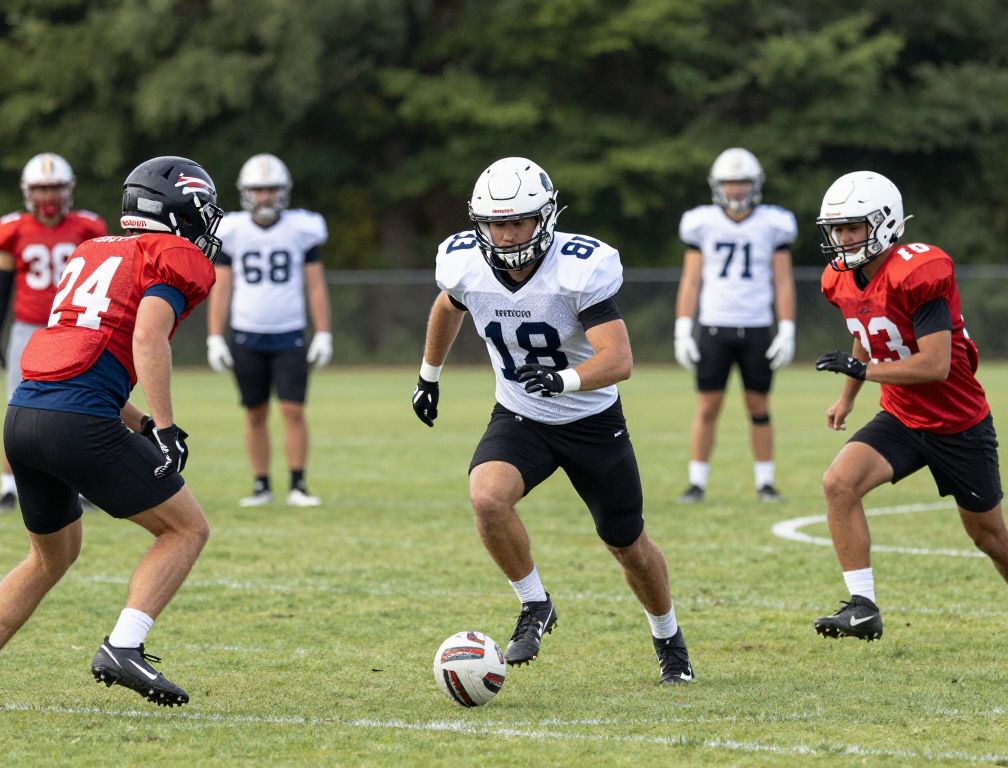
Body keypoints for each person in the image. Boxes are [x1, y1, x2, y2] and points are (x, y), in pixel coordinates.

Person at [411, 156, 694, 684]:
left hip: (591, 421)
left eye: (518, 220)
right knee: (486, 497)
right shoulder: (465, 263)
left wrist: (564, 379)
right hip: (522, 415)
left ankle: (668, 639)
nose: (507, 233)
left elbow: (619, 360)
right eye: (496, 222)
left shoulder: (578, 267)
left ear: (546, 216)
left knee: (628, 545)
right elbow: (449, 306)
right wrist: (429, 375)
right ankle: (535, 604)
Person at [0, 156, 222, 710]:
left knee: (51, 556)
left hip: (24, 417)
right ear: (179, 208)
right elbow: (147, 337)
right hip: (78, 422)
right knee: (186, 530)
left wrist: (138, 422)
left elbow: (83, 363)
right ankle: (124, 644)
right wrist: (164, 428)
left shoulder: (94, 250)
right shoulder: (175, 256)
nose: (207, 224)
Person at [813, 170, 1006, 641]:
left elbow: (934, 365)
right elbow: (866, 332)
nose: (842, 239)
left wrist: (860, 373)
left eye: (853, 227)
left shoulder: (917, 272)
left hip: (958, 422)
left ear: (884, 223)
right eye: (836, 229)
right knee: (839, 483)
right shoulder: (840, 279)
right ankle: (863, 606)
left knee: (989, 538)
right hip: (902, 416)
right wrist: (848, 396)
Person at [206, 153, 333, 508]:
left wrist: (323, 331)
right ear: (246, 193)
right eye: (258, 190)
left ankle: (298, 484)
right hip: (246, 333)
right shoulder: (232, 231)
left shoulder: (302, 228)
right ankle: (261, 484)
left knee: (293, 410)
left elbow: (316, 286)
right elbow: (221, 286)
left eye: (271, 190)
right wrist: (214, 335)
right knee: (254, 412)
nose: (265, 197)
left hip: (289, 333)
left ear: (284, 192)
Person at [673, 148, 797, 504]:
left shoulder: (774, 224)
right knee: (707, 407)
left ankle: (765, 483)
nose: (737, 190)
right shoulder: (702, 222)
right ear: (718, 186)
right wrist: (683, 327)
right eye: (730, 183)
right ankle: (696, 482)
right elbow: (691, 281)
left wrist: (786, 328)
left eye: (742, 183)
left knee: (759, 407)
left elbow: (784, 281)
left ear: (755, 185)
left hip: (757, 326)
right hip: (714, 326)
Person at [0, 153, 107, 513]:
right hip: (29, 328)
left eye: (54, 188)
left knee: (84, 403)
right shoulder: (13, 230)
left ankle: (85, 484)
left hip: (74, 326)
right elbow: (3, 287)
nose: (48, 196)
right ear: (27, 191)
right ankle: (9, 486)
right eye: (41, 188)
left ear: (68, 190)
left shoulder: (88, 228)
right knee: (17, 407)